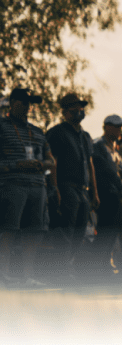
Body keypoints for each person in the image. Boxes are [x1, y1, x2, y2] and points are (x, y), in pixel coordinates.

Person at [0, 88, 57, 287]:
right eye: (23, 102)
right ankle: (3, 275)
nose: (27, 106)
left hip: (37, 186)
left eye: (29, 103)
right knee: (8, 230)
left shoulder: (37, 131)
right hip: (11, 184)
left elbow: (51, 161)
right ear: (12, 102)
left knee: (34, 231)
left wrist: (43, 165)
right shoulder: (1, 126)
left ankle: (26, 275)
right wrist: (16, 165)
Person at [45, 92, 100, 281]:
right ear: (66, 111)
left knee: (80, 229)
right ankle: (60, 270)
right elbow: (53, 161)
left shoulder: (85, 136)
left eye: (81, 107)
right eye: (75, 108)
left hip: (83, 189)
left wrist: (95, 191)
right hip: (65, 186)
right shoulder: (57, 132)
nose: (79, 111)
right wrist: (55, 188)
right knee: (66, 230)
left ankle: (67, 265)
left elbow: (90, 164)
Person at [90, 114, 122, 279]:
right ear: (107, 127)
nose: (120, 130)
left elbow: (118, 170)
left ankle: (105, 264)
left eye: (121, 127)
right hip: (105, 195)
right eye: (117, 126)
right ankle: (95, 268)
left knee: (112, 233)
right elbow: (102, 169)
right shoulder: (98, 146)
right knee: (104, 232)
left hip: (117, 197)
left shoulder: (115, 149)